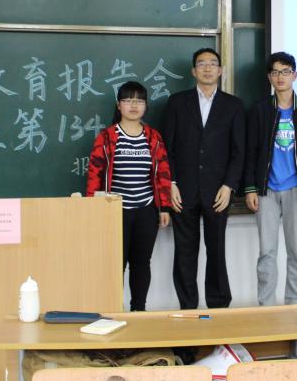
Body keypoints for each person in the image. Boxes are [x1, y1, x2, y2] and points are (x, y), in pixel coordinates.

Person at [163, 48, 245, 309]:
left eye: (212, 64)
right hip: (183, 190)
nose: (207, 68)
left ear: (220, 70)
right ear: (193, 71)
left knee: (216, 251)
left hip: (218, 191)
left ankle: (219, 307)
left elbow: (239, 151)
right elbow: (167, 148)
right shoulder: (177, 103)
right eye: (201, 64)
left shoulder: (234, 105)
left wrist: (229, 185)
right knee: (184, 253)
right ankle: (188, 308)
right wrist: (171, 183)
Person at [87, 80, 176, 312]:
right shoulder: (107, 137)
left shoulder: (153, 137)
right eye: (128, 100)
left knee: (141, 263)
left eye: (139, 101)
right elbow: (95, 174)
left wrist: (164, 207)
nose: (134, 105)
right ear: (119, 106)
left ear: (145, 105)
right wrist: (93, 209)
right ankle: (113, 311)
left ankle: (138, 311)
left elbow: (163, 173)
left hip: (146, 209)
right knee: (116, 264)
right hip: (116, 211)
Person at [244, 51, 297, 306]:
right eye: (275, 72)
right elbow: (250, 150)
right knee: (267, 252)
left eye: (286, 71)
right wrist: (250, 188)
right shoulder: (260, 109)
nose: (280, 77)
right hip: (266, 190)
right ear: (269, 77)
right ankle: (266, 306)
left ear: (294, 75)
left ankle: (294, 301)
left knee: (296, 251)